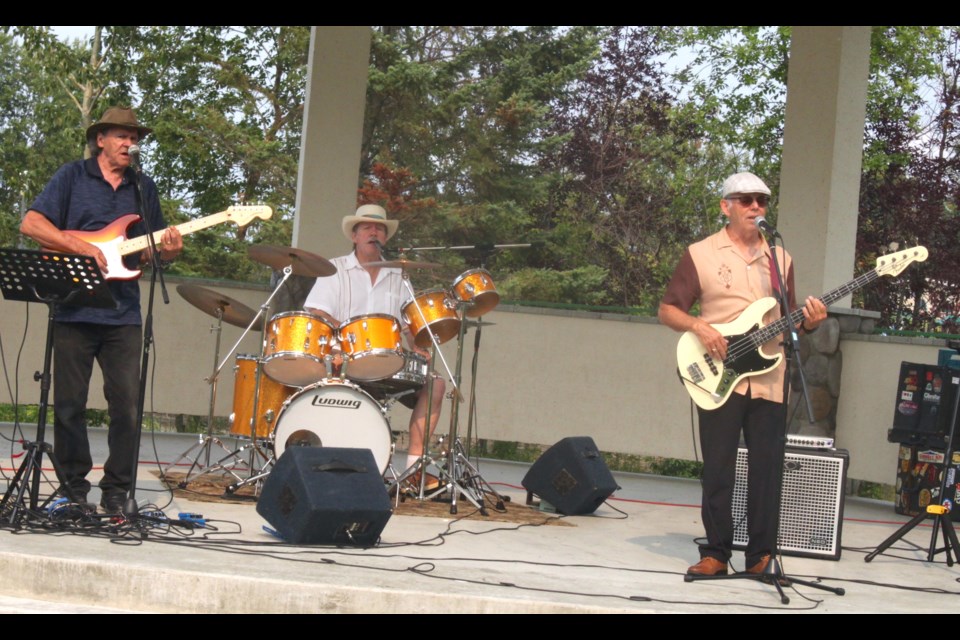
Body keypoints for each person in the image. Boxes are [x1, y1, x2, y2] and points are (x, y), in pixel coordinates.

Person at [658, 172, 827, 577]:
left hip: (769, 374)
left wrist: (809, 323)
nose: (756, 207)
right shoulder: (700, 253)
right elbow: (668, 309)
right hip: (718, 376)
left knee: (768, 468)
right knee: (719, 467)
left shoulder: (780, 258)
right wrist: (701, 327)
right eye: (747, 200)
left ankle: (760, 557)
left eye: (762, 201)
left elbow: (785, 322)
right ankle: (716, 552)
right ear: (726, 206)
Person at [20, 106, 183, 513]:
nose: (130, 144)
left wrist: (168, 253)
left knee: (126, 406)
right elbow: (32, 224)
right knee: (69, 404)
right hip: (74, 308)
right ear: (101, 140)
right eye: (122, 136)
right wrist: (83, 248)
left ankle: (117, 491)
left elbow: (150, 253)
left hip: (123, 313)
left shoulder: (143, 189)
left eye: (134, 138)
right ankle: (73, 490)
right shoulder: (72, 176)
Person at [304, 204, 446, 489]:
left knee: (437, 384)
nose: (374, 231)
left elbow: (408, 324)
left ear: (386, 237)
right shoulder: (334, 269)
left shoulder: (399, 274)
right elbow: (316, 313)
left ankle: (413, 470)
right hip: (342, 358)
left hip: (387, 361)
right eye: (367, 227)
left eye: (379, 228)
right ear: (354, 236)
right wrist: (343, 338)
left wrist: (416, 345)